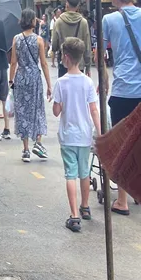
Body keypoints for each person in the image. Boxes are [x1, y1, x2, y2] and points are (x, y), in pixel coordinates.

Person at [101, 0, 141, 215]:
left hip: (124, 89)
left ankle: (122, 201)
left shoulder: (109, 20)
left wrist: (103, 81)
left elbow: (101, 56)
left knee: (122, 145)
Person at [52, 37, 101, 232]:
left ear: (65, 57)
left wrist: (61, 104)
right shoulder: (88, 82)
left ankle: (74, 216)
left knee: (70, 175)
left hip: (67, 136)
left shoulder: (61, 83)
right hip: (84, 135)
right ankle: (85, 207)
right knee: (84, 172)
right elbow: (94, 110)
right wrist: (100, 132)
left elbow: (56, 111)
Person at [10, 9, 52, 162]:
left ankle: (26, 150)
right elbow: (44, 63)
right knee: (37, 110)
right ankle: (38, 142)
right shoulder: (39, 40)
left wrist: (11, 81)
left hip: (21, 78)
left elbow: (13, 62)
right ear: (32, 21)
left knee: (22, 112)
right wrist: (49, 84)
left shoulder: (16, 39)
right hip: (35, 78)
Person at [51, 0, 92, 78]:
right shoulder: (83, 22)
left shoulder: (59, 22)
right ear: (77, 7)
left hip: (64, 62)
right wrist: (88, 66)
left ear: (66, 5)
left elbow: (54, 45)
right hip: (78, 63)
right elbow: (87, 46)